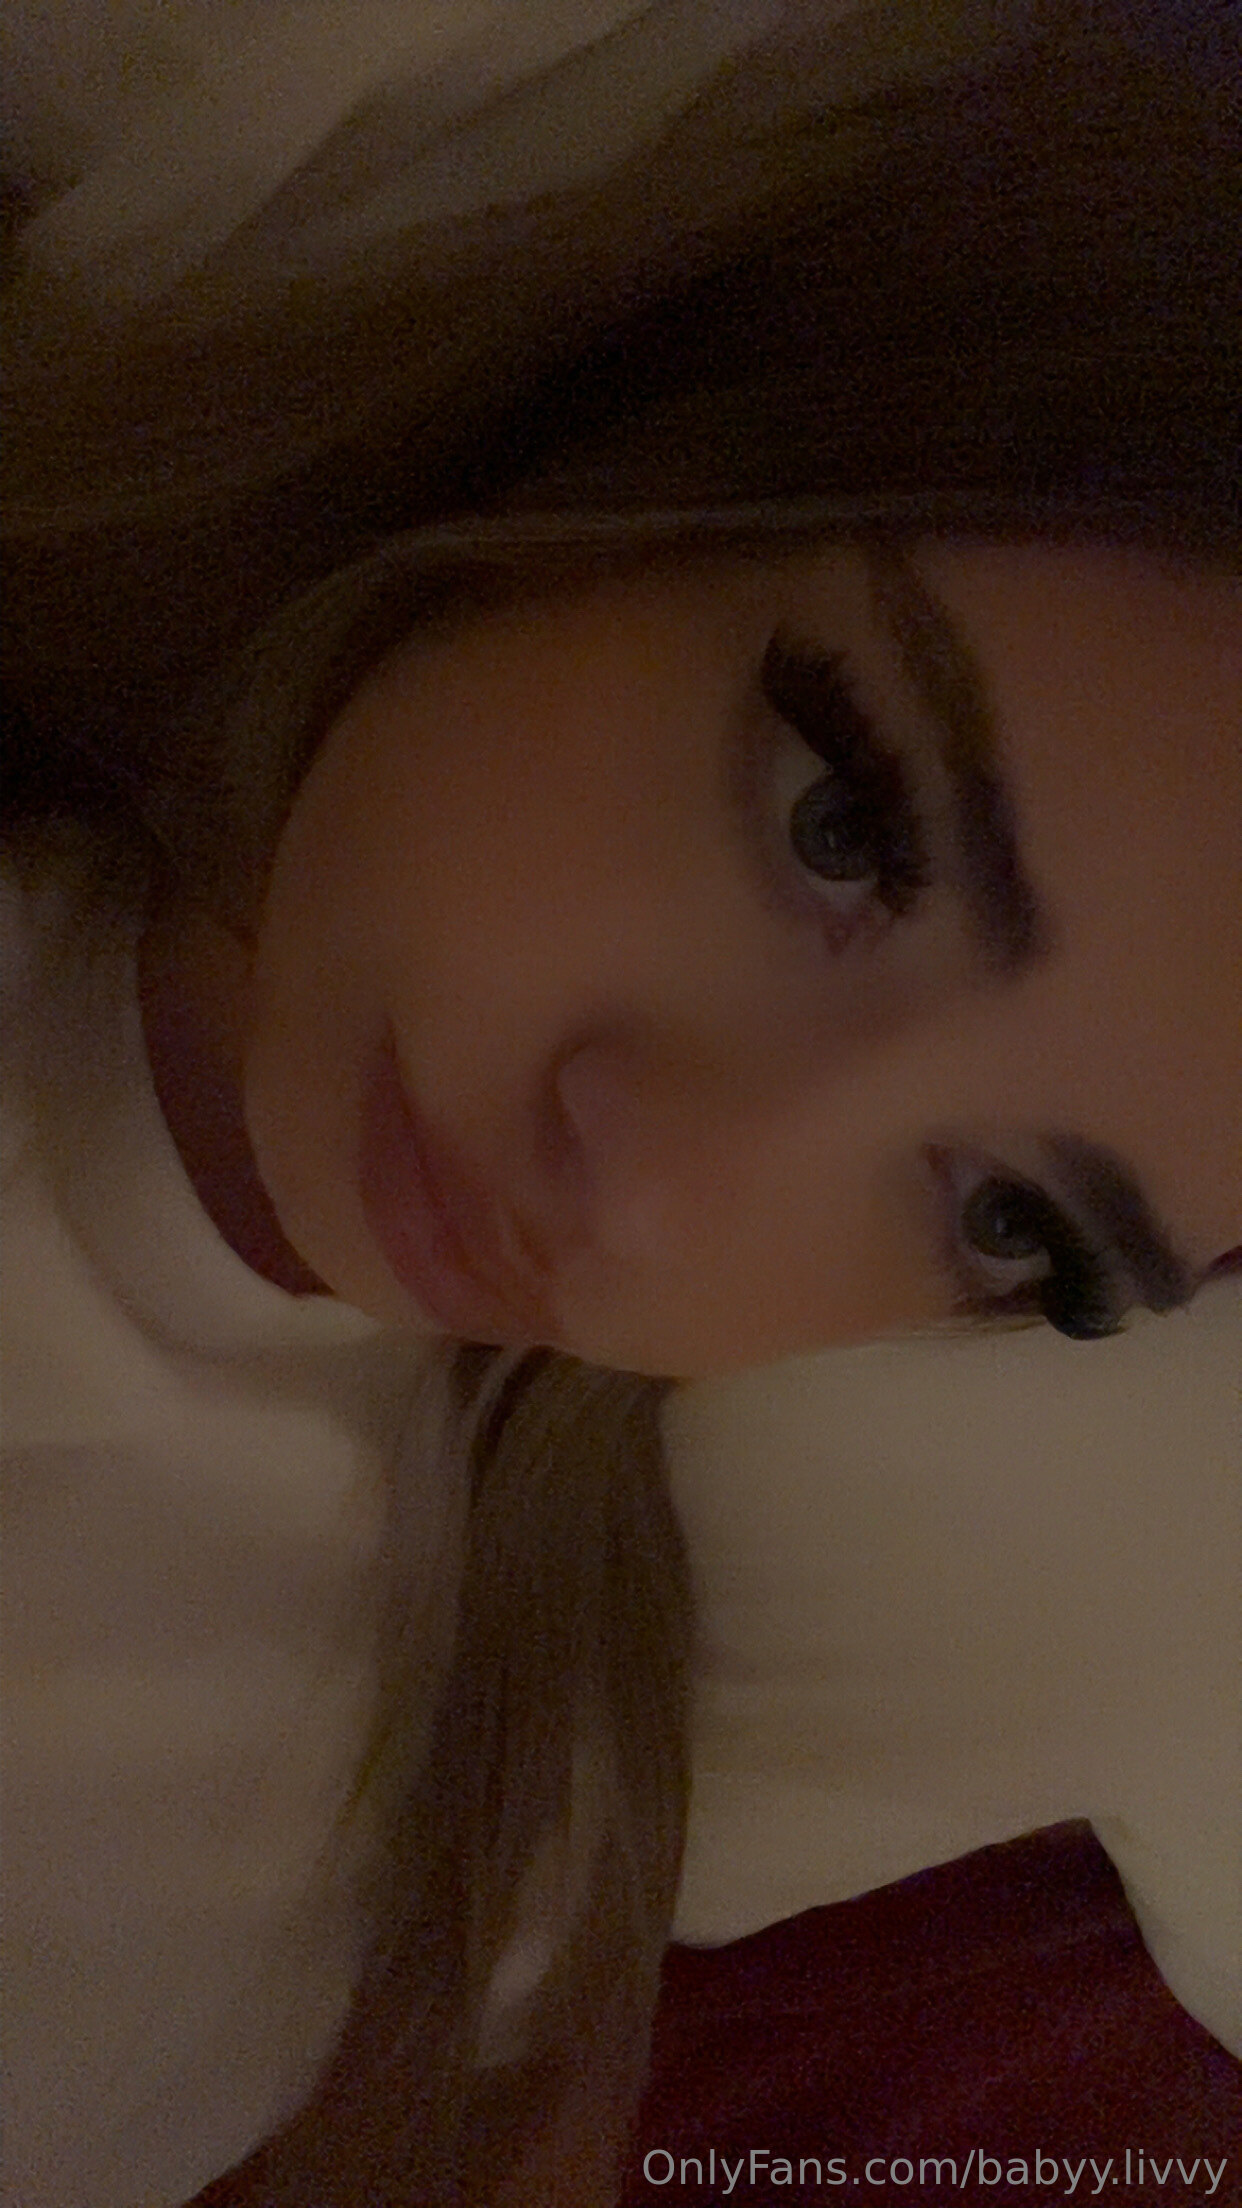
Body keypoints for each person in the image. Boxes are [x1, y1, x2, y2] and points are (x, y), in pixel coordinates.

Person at [3, 10, 1239, 2205]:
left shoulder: (501, 1817)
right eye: (841, 826)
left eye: (1006, 1226)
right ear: (653, 473)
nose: (658, 1194)